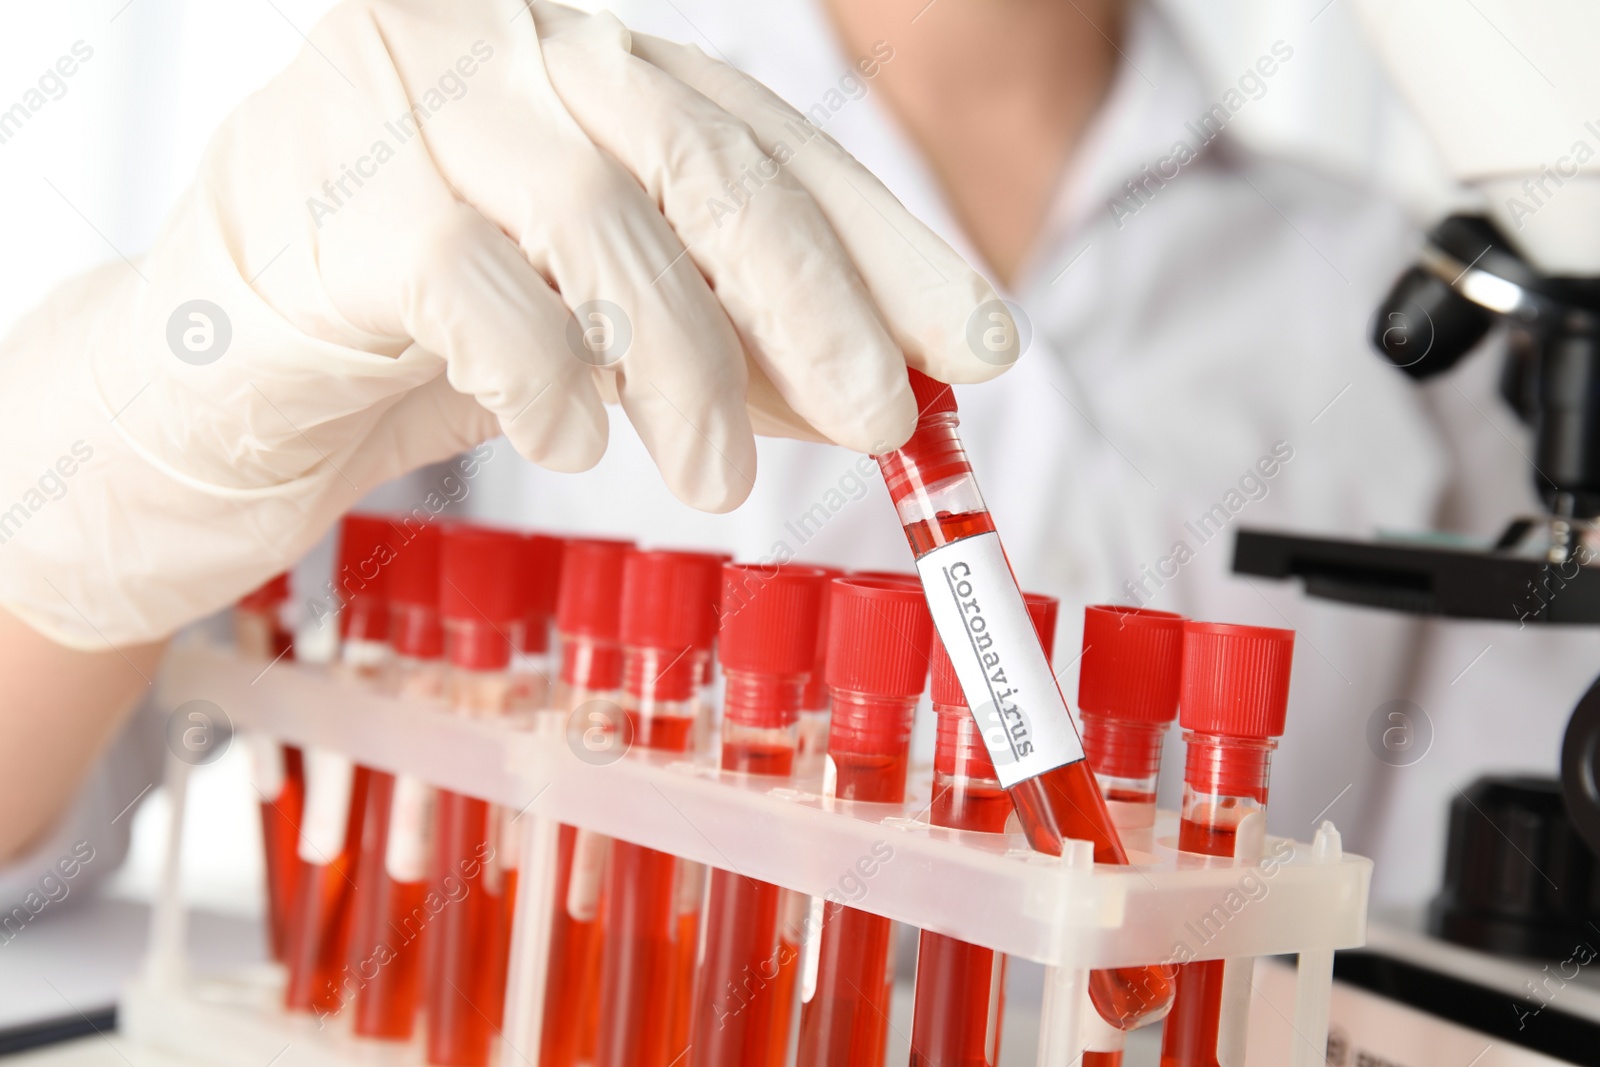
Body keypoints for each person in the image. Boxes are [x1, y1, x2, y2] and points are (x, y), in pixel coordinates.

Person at [0, 0, 1591, 920]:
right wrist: (128, 465)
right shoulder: (505, 136)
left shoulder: (1421, 303)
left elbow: (1474, 945)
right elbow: (23, 841)